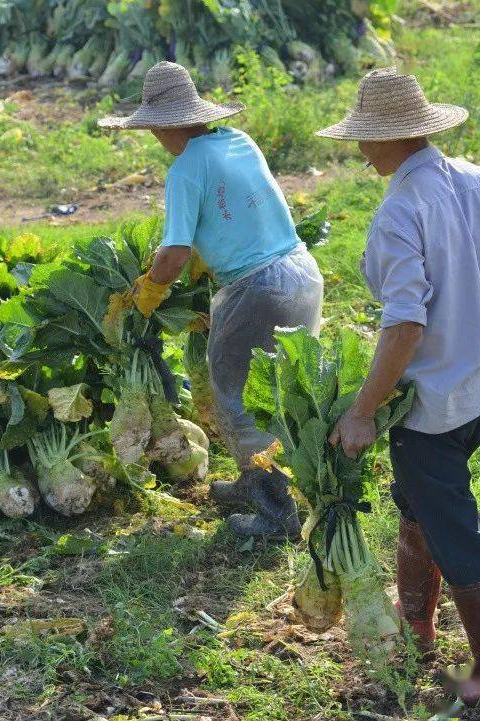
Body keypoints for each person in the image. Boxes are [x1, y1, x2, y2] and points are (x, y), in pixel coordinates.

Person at [316, 68, 480, 704]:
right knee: (420, 498)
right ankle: (417, 624)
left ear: (390, 139)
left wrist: (364, 411)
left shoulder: (400, 210)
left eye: (364, 140)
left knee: (453, 522)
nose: (361, 151)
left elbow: (404, 328)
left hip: (438, 403)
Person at [99, 61, 324, 538]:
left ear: (159, 125)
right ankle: (258, 482)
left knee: (238, 399)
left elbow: (175, 254)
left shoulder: (184, 169)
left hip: (258, 287)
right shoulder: (239, 140)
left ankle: (276, 512)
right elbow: (240, 208)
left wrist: (149, 292)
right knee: (282, 395)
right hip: (301, 273)